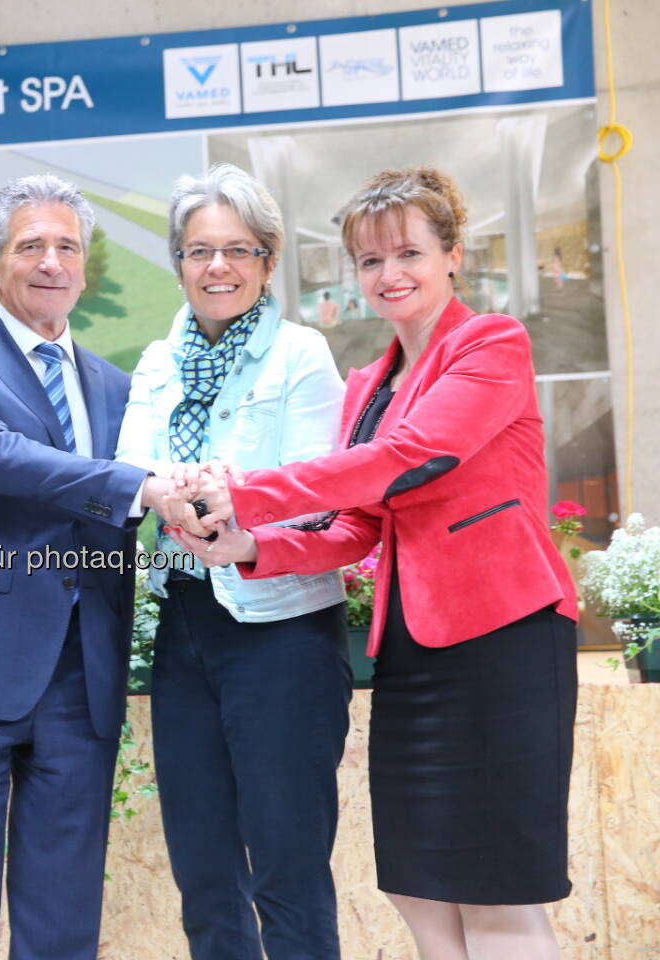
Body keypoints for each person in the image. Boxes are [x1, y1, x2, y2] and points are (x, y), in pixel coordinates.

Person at [171, 166, 578, 960]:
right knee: (417, 887)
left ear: (454, 255)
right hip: (413, 651)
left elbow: (411, 457)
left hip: (503, 639)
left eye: (409, 254)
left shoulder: (491, 343)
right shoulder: (368, 382)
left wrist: (244, 492)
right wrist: (249, 545)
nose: (389, 275)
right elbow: (354, 525)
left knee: (496, 895)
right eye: (369, 261)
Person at [0, 174, 178, 960]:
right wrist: (137, 484)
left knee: (64, 914)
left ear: (84, 270)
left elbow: (160, 490)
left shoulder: (122, 390)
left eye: (68, 247)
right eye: (30, 246)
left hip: (82, 676)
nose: (51, 262)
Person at [116, 162, 352, 960]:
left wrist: (220, 491)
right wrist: (167, 489)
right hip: (184, 627)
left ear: (267, 260)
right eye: (198, 250)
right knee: (204, 871)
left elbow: (315, 493)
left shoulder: (301, 354)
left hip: (282, 630)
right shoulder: (157, 361)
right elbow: (131, 470)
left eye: (237, 249)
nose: (217, 266)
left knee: (288, 868)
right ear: (179, 262)